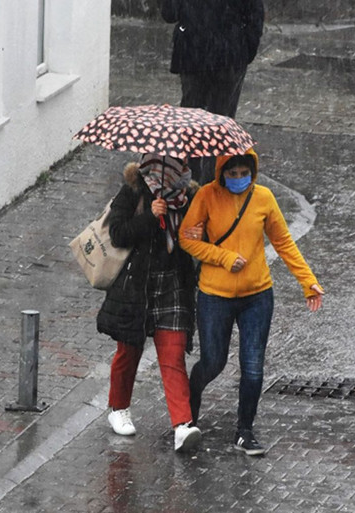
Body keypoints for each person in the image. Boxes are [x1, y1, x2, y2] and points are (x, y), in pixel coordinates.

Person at [178, 148, 325, 456]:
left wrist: (308, 281)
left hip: (257, 296)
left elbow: (283, 241)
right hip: (214, 296)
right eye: (232, 173)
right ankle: (188, 414)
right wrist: (223, 257)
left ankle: (245, 431)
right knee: (213, 362)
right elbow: (188, 239)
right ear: (222, 173)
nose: (239, 179)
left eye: (244, 173)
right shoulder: (206, 196)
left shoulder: (264, 198)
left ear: (253, 172)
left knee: (253, 366)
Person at [96, 153, 203, 452]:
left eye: (181, 162)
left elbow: (196, 237)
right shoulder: (134, 188)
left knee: (173, 354)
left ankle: (182, 424)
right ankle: (118, 408)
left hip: (172, 285)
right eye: (171, 161)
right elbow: (118, 234)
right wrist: (150, 216)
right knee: (129, 351)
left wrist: (194, 232)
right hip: (137, 286)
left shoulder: (189, 196)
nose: (178, 167)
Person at [161, 0, 265, 185]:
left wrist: (245, 49)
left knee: (194, 121)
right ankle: (209, 182)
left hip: (201, 53)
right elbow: (254, 15)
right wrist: (244, 48)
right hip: (224, 54)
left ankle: (194, 181)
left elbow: (170, 13)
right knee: (219, 122)